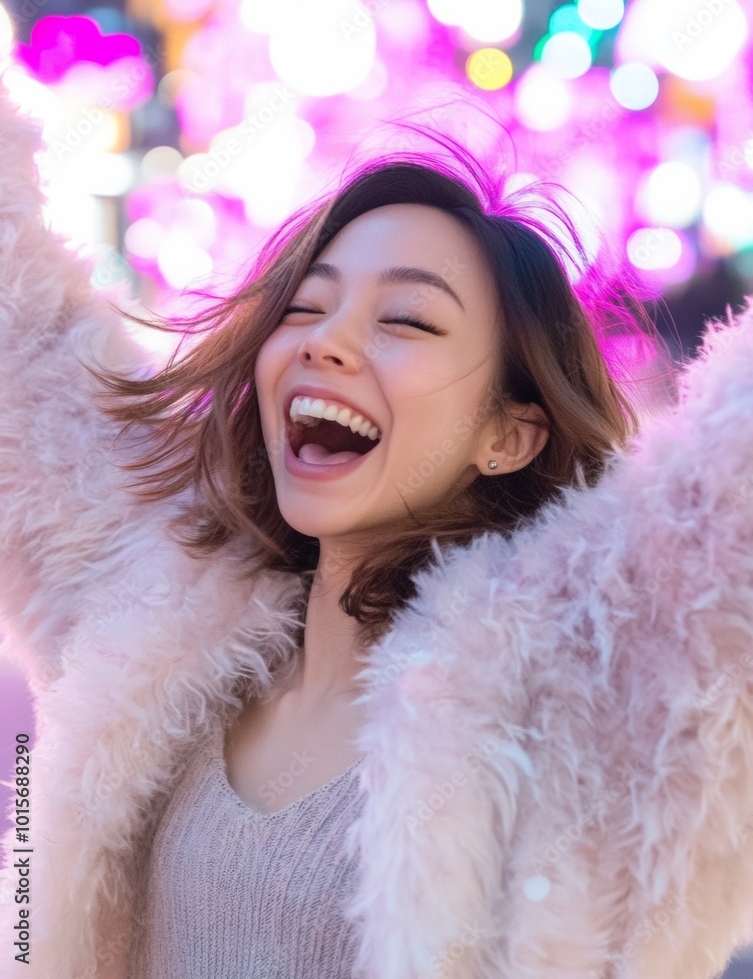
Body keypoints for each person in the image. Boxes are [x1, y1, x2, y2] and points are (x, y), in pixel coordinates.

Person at [0, 83, 752, 979]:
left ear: (509, 433)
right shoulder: (151, 605)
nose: (323, 343)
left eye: (405, 319)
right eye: (306, 308)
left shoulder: (590, 705)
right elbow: (24, 327)